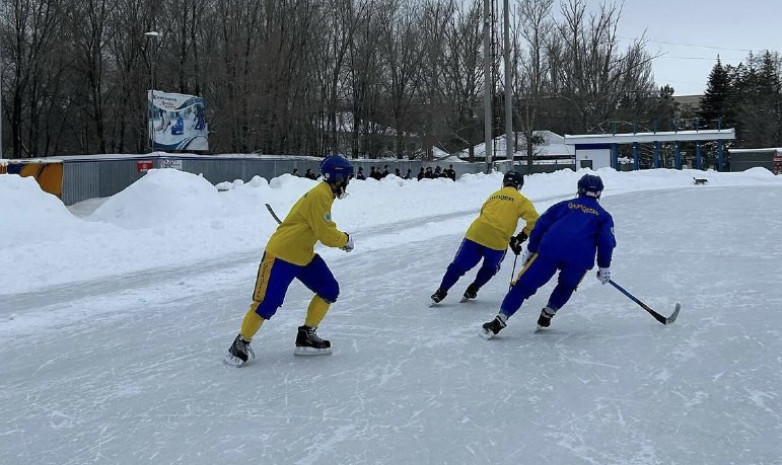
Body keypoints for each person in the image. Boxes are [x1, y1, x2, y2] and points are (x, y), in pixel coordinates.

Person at [224, 155, 356, 366]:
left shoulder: (325, 194)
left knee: (329, 289)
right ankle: (241, 343)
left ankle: (306, 335)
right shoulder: (320, 195)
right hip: (281, 255)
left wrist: (336, 238)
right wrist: (345, 240)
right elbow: (327, 234)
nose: (349, 182)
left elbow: (320, 228)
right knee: (268, 302)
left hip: (303, 255)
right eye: (348, 178)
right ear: (339, 178)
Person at [480, 174, 616, 339]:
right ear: (599, 193)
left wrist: (531, 249)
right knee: (567, 285)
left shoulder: (564, 206)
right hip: (579, 259)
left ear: (579, 189)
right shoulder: (603, 216)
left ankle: (499, 321)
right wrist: (604, 267)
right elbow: (606, 242)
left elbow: (540, 225)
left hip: (550, 250)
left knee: (523, 286)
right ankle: (548, 313)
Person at [431, 170, 539, 305]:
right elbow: (535, 221)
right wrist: (520, 237)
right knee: (491, 267)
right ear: (519, 186)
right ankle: (473, 288)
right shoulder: (521, 200)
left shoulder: (494, 195)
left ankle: (441, 291)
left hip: (476, 233)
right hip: (497, 240)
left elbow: (483, 213)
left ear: (504, 183)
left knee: (458, 265)